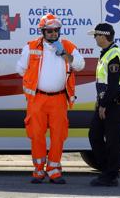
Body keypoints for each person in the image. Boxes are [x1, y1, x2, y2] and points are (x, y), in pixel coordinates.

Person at [16, 13, 85, 184]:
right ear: (42, 31)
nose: (53, 33)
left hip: (59, 99)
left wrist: (65, 55)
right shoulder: (31, 46)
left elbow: (80, 65)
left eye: (56, 30)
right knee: (36, 135)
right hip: (37, 98)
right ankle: (38, 170)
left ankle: (54, 170)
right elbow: (20, 69)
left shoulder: (67, 46)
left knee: (58, 136)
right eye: (50, 31)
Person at [87, 23, 120, 187]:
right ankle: (109, 170)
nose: (95, 38)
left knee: (113, 140)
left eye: (96, 36)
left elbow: (113, 85)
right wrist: (100, 103)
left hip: (114, 104)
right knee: (94, 135)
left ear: (103, 36)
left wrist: (103, 105)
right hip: (105, 103)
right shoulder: (106, 53)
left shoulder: (114, 55)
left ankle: (110, 176)